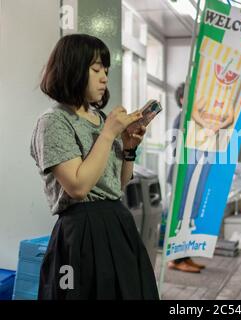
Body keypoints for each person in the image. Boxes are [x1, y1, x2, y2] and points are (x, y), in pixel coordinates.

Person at [30, 34, 159, 300]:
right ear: (73, 69)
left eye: (106, 71)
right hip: (80, 233)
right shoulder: (54, 122)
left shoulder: (101, 119)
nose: (104, 78)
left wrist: (129, 147)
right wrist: (109, 134)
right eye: (96, 69)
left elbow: (118, 185)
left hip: (118, 223)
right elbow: (78, 187)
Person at [166, 83, 206, 273]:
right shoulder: (181, 119)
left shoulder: (189, 119)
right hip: (181, 175)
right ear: (182, 99)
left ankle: (185, 256)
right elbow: (179, 149)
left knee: (188, 216)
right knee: (180, 217)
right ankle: (175, 259)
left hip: (190, 174)